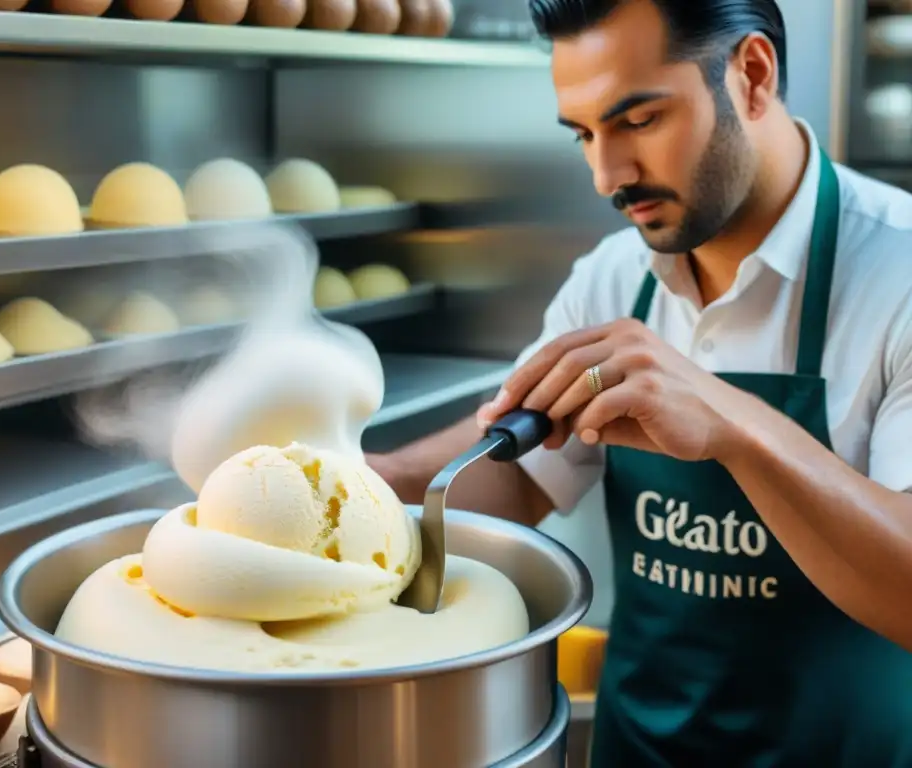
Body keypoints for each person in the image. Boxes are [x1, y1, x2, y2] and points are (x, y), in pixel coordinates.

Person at [367, 0, 912, 765]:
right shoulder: (615, 278)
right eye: (586, 133)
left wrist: (731, 423)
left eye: (640, 120)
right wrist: (374, 484)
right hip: (639, 749)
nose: (605, 175)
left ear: (752, 75)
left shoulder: (900, 271)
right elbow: (519, 475)